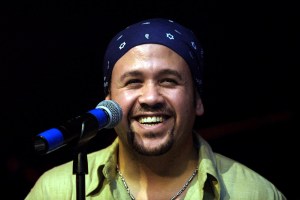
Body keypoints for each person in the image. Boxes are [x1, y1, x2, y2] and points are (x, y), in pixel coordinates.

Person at [25, 18, 286, 200]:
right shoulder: (56, 191)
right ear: (108, 101)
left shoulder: (255, 193)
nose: (150, 97)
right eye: (133, 82)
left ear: (197, 100)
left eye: (169, 81)